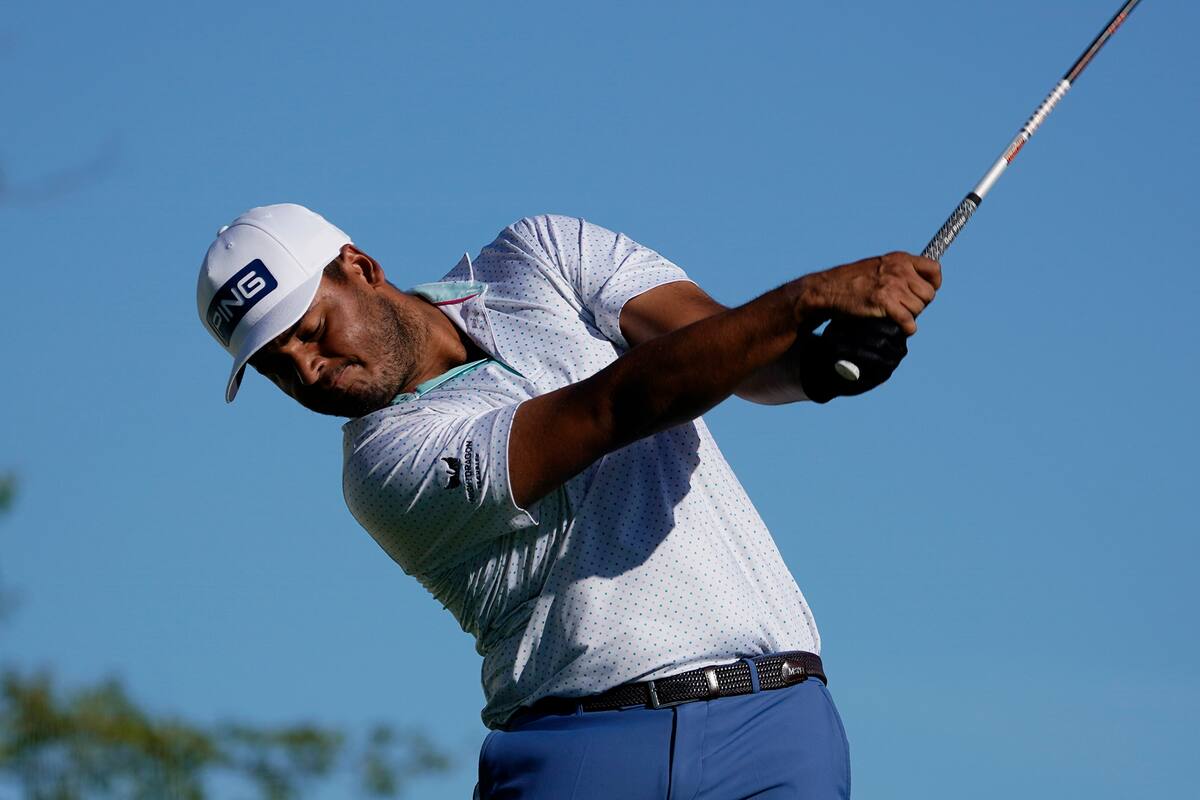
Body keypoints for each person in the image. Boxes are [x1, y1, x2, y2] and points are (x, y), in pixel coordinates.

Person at [196, 203, 940, 799]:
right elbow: (612, 409)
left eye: (310, 331)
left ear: (359, 267)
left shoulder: (541, 253)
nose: (308, 370)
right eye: (274, 367)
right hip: (579, 753)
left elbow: (737, 355)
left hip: (771, 719)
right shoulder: (384, 468)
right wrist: (809, 296)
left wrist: (816, 363)